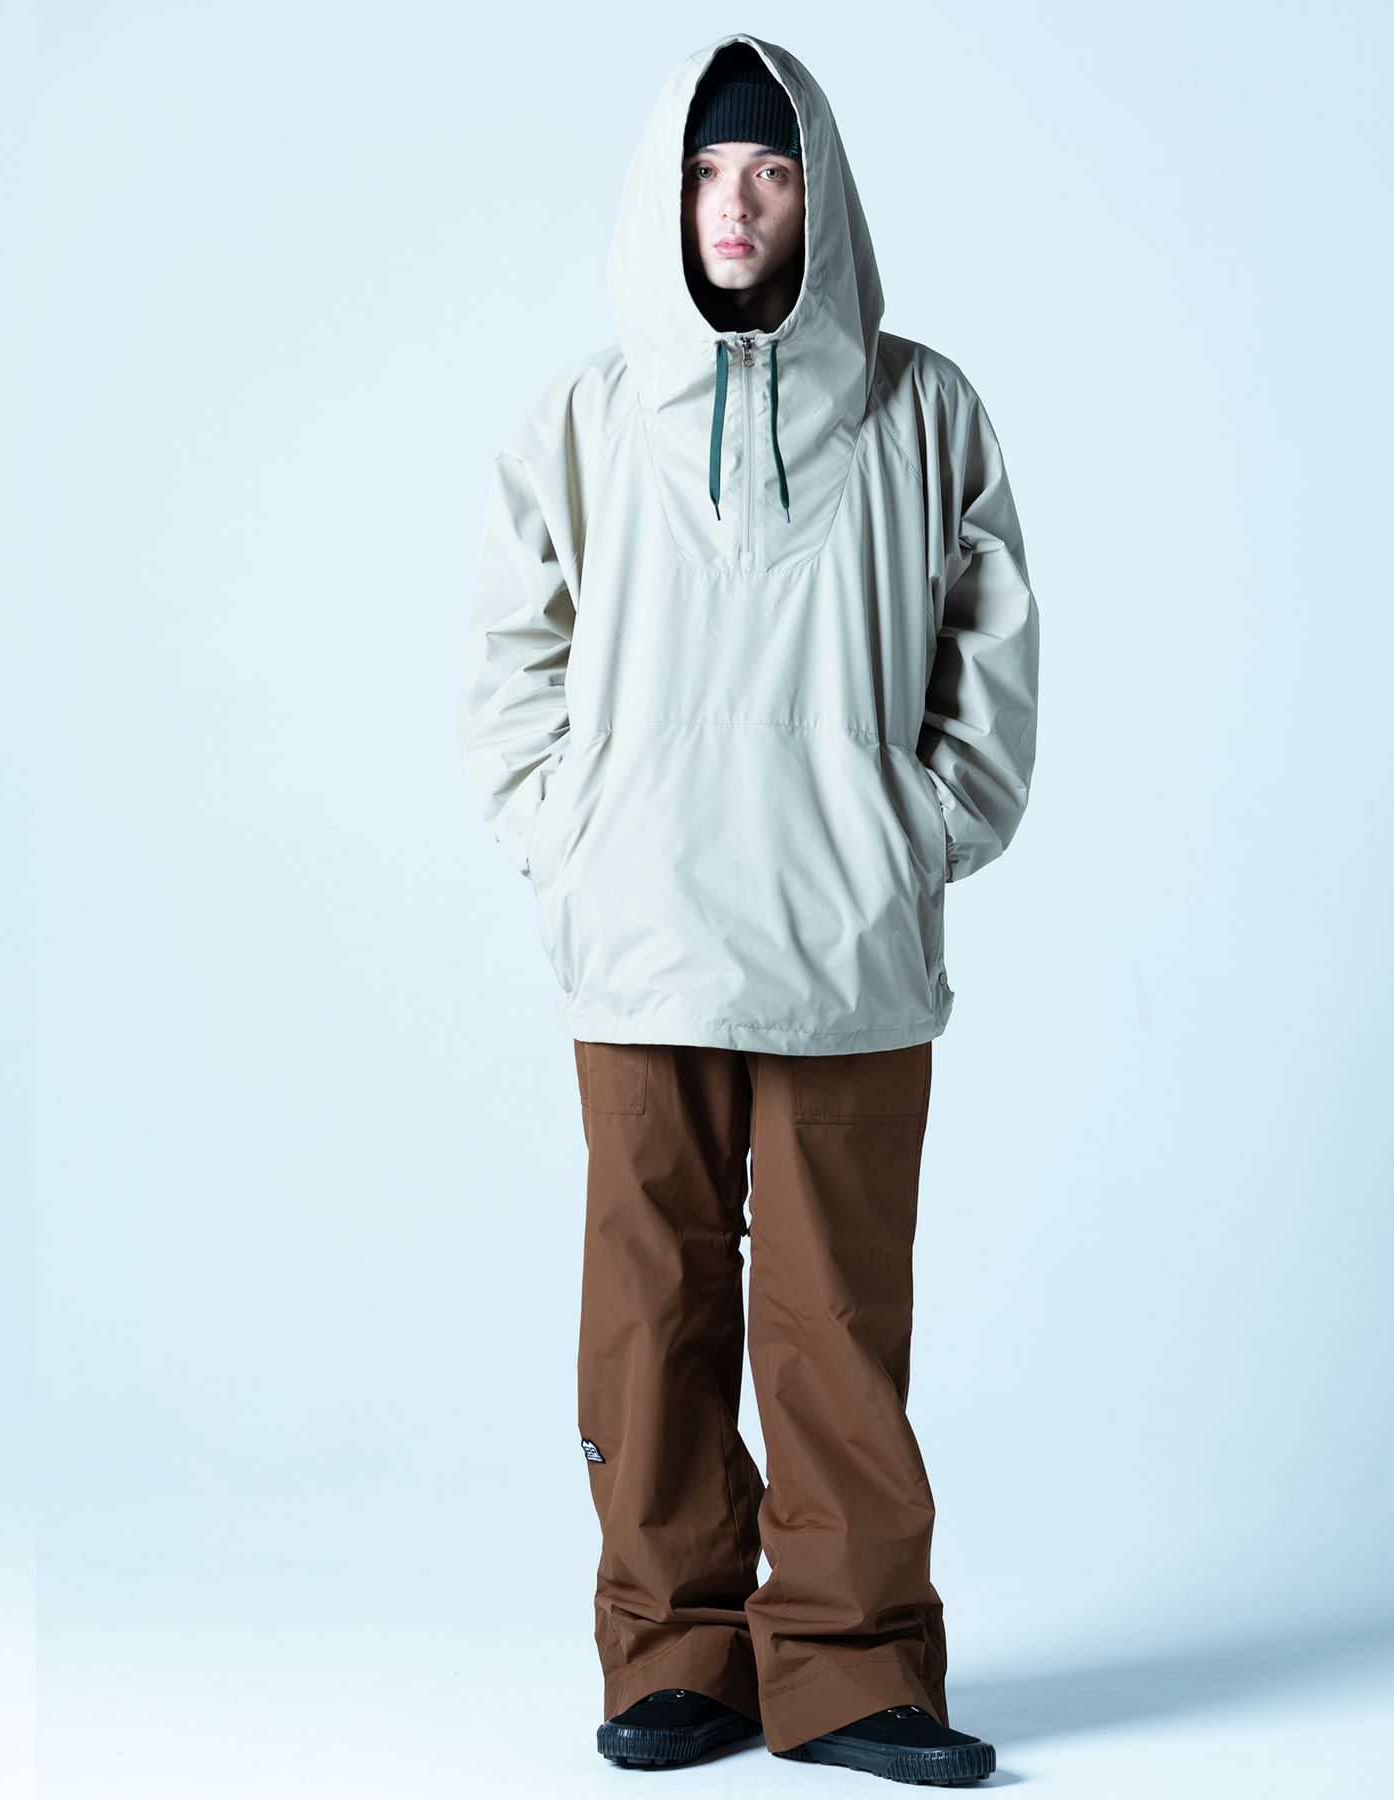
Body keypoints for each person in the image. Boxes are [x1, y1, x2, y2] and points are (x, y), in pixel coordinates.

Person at [456, 30, 1039, 1788]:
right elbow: (509, 664)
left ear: (818, 194)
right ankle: (674, 1661)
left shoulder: (925, 411)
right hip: (639, 939)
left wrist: (918, 834)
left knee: (836, 1318)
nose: (737, 203)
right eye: (708, 170)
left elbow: (995, 656)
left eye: (771, 170)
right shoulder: (583, 418)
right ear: (668, 190)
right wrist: (573, 836)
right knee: (651, 1316)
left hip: (848, 942)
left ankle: (855, 1672)